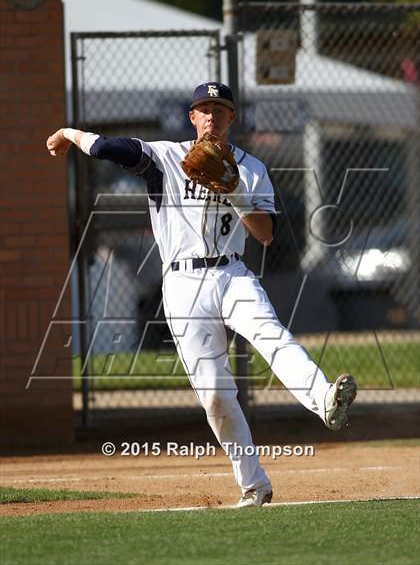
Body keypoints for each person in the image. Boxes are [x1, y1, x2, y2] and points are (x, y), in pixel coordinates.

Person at [46, 82, 357, 508]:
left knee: (272, 335)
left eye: (220, 109)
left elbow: (265, 234)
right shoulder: (167, 158)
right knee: (214, 396)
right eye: (203, 109)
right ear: (192, 117)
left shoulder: (251, 168)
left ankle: (325, 399)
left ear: (232, 118)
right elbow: (108, 148)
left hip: (233, 276)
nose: (211, 115)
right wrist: (69, 134)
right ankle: (254, 484)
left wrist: (236, 192)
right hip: (182, 284)